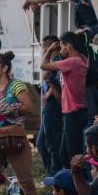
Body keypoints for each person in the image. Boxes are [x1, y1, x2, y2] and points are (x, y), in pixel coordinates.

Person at [0, 52, 40, 195]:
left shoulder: (16, 85)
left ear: (4, 68)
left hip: (15, 137)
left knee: (26, 182)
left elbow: (31, 108)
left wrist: (12, 108)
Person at [41, 31, 90, 165]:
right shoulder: (82, 59)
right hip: (76, 111)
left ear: (68, 46)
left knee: (71, 154)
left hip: (72, 113)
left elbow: (43, 65)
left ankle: (75, 184)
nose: (60, 49)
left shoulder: (72, 62)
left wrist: (50, 49)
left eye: (62, 46)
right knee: (66, 152)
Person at [36, 35, 65, 175]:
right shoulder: (50, 68)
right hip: (47, 112)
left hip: (54, 112)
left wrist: (52, 88)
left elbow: (60, 98)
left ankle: (55, 174)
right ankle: (50, 172)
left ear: (47, 48)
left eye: (43, 49)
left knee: (53, 145)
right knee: (41, 144)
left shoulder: (57, 67)